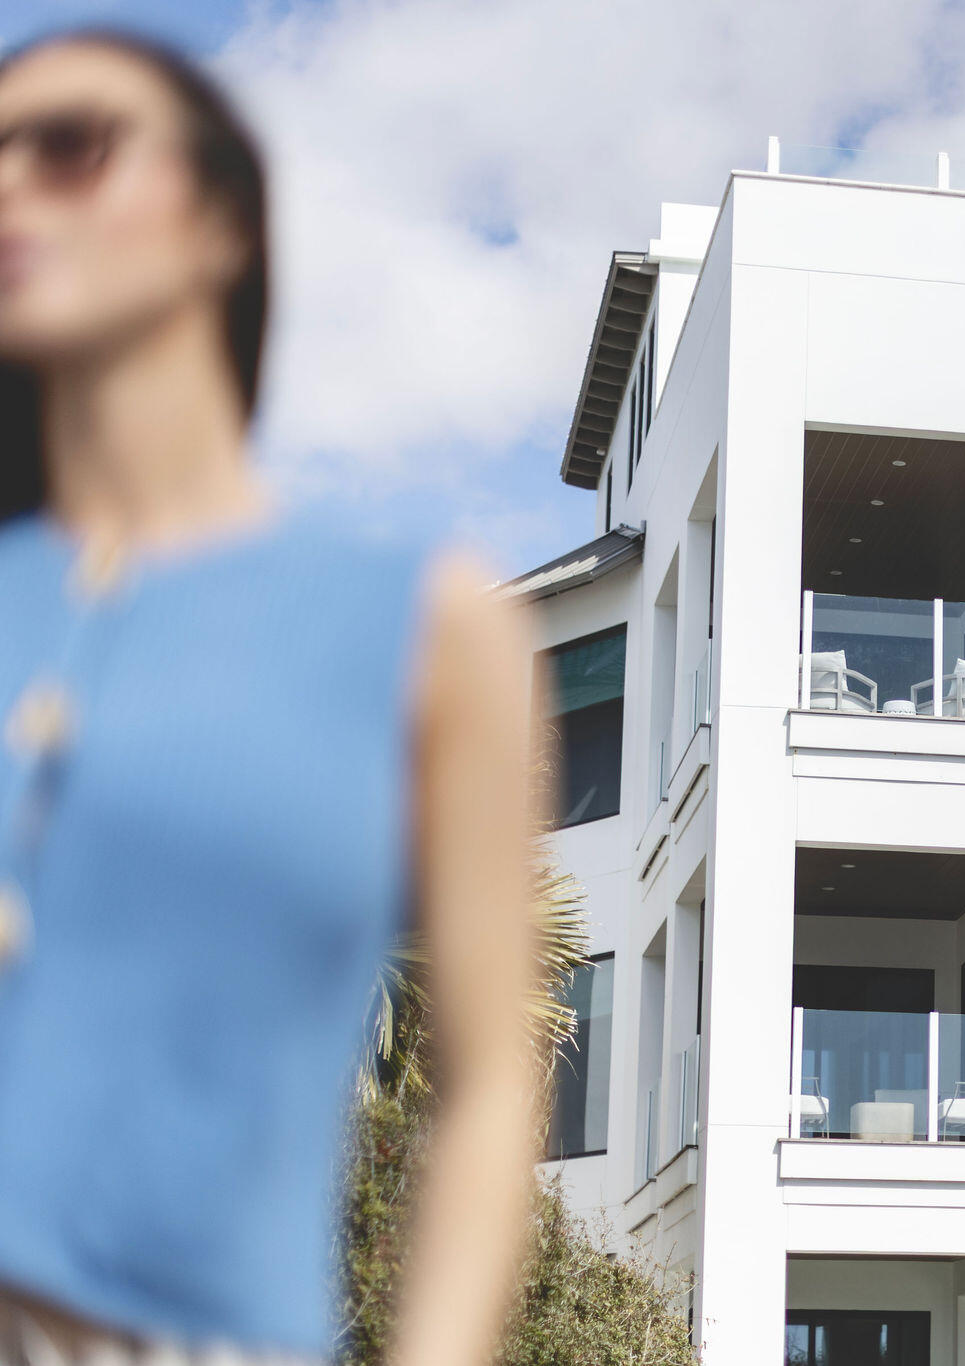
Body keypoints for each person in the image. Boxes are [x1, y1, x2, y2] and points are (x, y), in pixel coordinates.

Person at [0, 30, 540, 1366]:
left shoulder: (426, 619)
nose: (10, 186)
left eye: (68, 146)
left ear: (220, 226)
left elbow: (484, 1080)